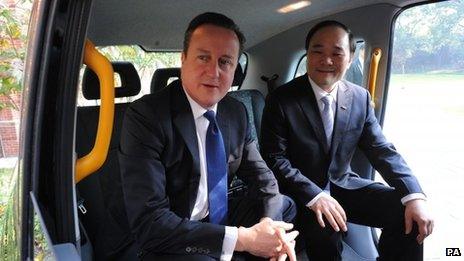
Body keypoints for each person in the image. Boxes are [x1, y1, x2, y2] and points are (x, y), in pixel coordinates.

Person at [119, 12, 298, 261]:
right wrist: (244, 240)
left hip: (217, 216)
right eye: (203, 58)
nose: (214, 72)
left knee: (284, 206)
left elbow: (263, 179)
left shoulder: (235, 112)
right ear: (183, 59)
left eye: (225, 62)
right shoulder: (146, 116)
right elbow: (152, 222)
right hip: (168, 233)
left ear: (235, 69)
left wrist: (268, 228)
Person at [260, 20, 433, 261]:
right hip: (302, 193)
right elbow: (274, 158)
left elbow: (381, 149)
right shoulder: (281, 99)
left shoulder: (360, 97)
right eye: (317, 51)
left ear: (351, 58)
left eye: (336, 53)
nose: (326, 60)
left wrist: (414, 194)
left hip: (344, 185)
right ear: (308, 55)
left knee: (407, 213)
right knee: (324, 232)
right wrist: (315, 196)